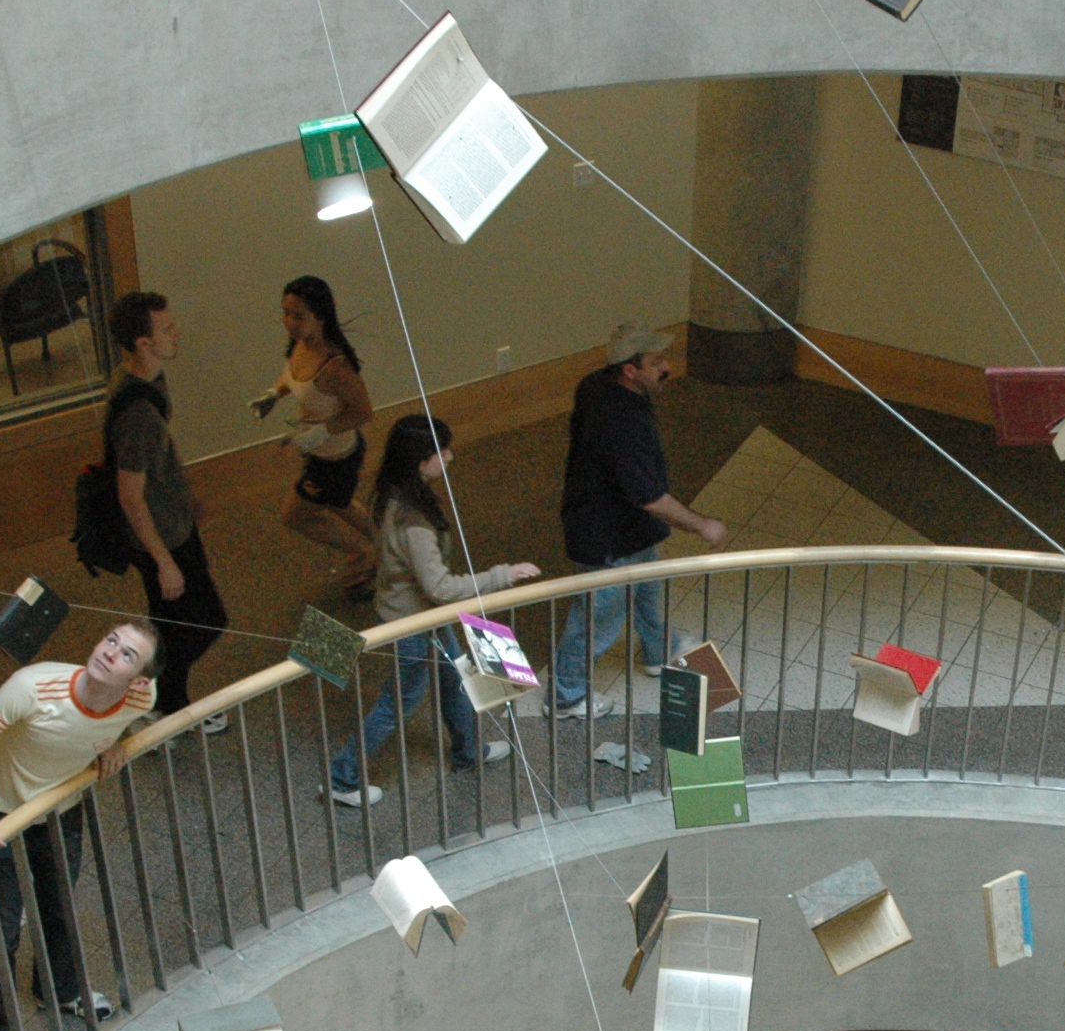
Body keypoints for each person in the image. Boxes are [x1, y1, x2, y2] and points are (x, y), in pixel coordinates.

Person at [0, 620, 159, 1031]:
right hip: (2, 818)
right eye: (110, 640)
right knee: (0, 935)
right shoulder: (33, 687)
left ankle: (57, 989)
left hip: (63, 812)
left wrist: (111, 746)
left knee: (58, 907)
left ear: (138, 680)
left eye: (126, 655)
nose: (109, 653)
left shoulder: (141, 699)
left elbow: (99, 726)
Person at [327, 417, 543, 807]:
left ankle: (468, 751)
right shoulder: (414, 519)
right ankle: (343, 779)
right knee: (397, 705)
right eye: (442, 451)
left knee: (454, 679)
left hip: (419, 616)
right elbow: (440, 588)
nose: (449, 457)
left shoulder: (394, 492)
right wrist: (502, 575)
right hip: (413, 623)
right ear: (422, 461)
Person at [550, 320, 726, 717]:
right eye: (657, 361)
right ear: (630, 370)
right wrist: (703, 525)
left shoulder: (597, 382)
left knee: (647, 587)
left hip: (629, 529)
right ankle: (566, 695)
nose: (667, 367)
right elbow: (649, 496)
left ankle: (657, 651)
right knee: (597, 617)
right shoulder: (619, 422)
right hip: (606, 537)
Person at [105, 290, 230, 727]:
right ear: (144, 342)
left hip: (171, 523)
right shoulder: (137, 409)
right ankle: (159, 702)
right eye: (167, 330)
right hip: (161, 537)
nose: (176, 335)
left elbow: (160, 458)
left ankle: (165, 704)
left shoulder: (150, 381)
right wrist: (163, 561)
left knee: (170, 623)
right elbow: (130, 494)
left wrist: (185, 492)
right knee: (207, 620)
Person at [260, 276, 382, 596]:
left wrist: (321, 432)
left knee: (295, 514)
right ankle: (385, 544)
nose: (290, 323)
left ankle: (363, 552)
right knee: (340, 503)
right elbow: (295, 379)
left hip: (334, 458)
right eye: (286, 313)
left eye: (299, 316)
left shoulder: (335, 365)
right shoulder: (301, 346)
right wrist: (274, 393)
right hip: (319, 452)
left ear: (320, 316)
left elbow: (363, 411)